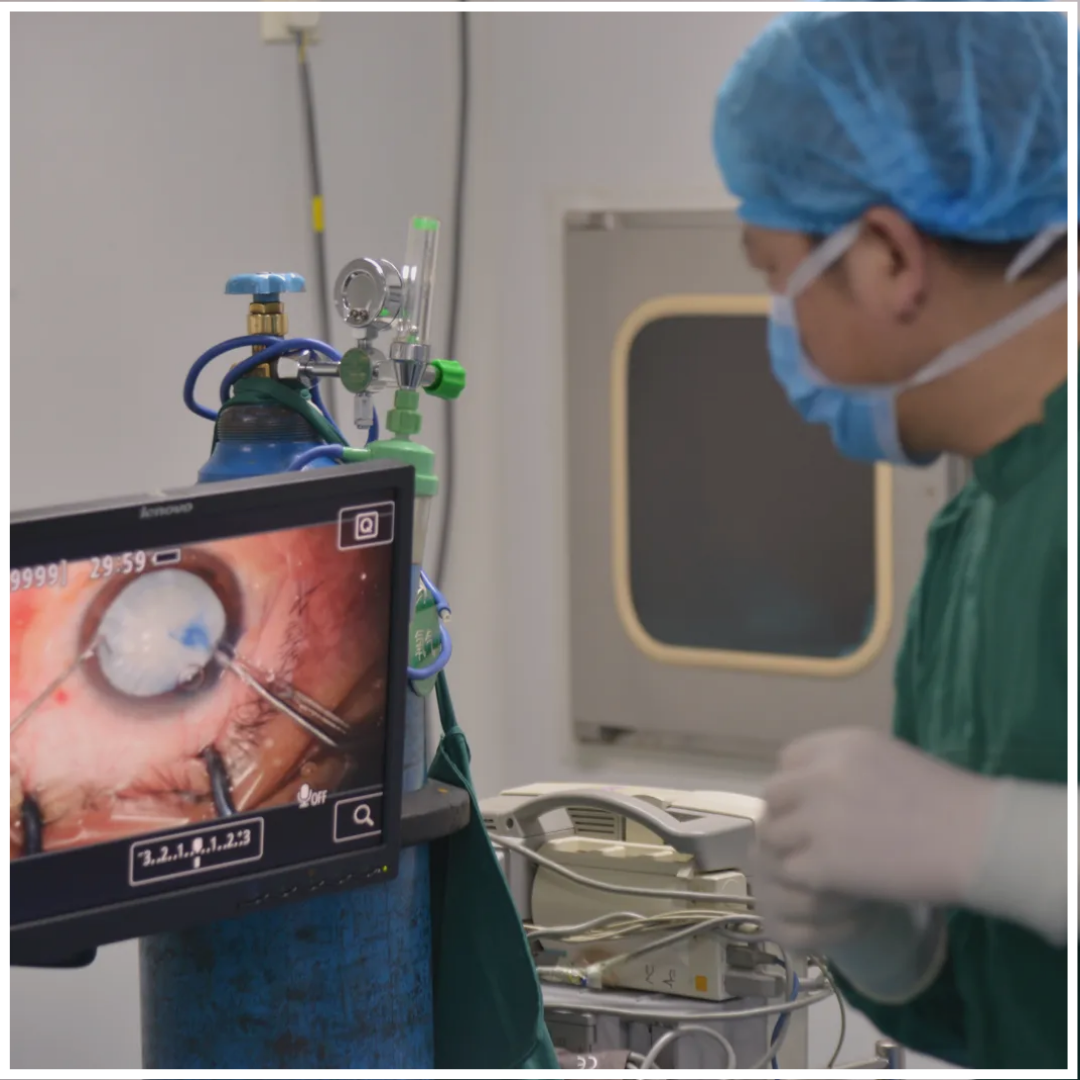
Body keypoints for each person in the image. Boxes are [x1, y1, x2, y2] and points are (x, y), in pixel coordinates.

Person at [711, 11, 1069, 1070]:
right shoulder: (979, 529)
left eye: (778, 278)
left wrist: (1001, 844)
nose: (783, 327)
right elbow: (1011, 1013)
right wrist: (890, 943)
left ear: (887, 257)